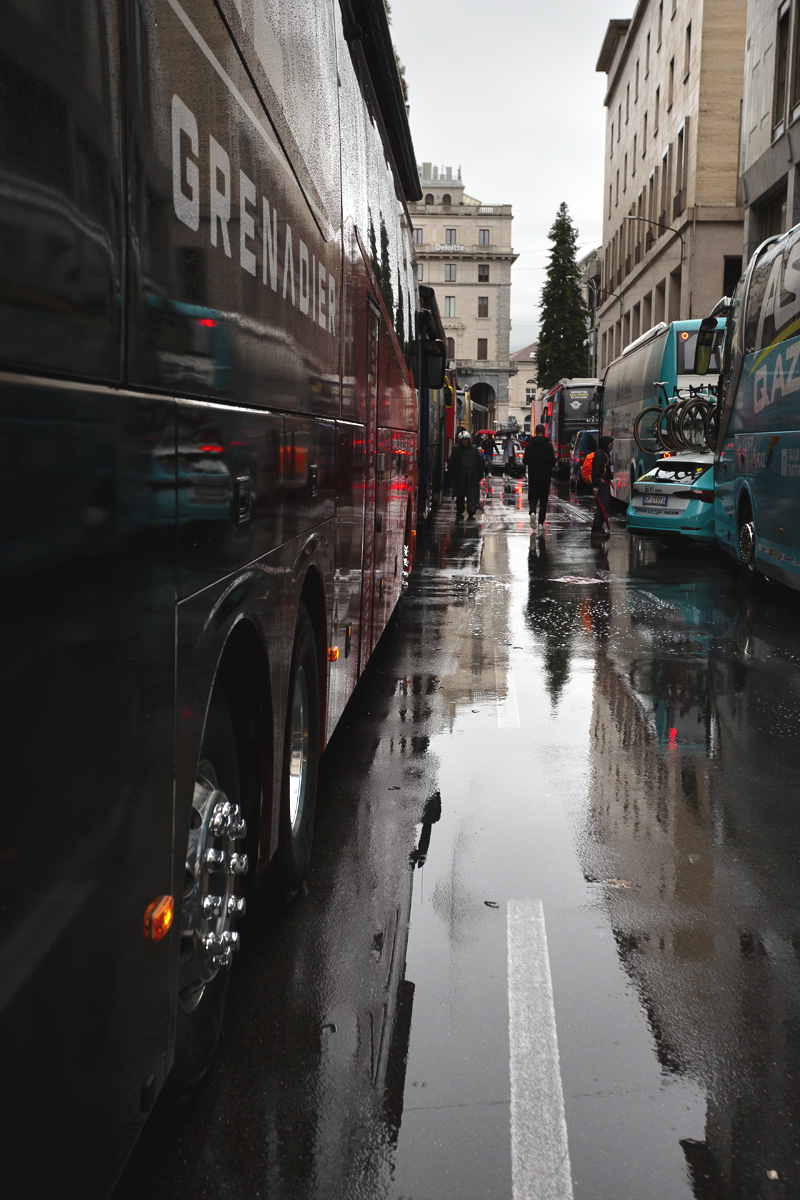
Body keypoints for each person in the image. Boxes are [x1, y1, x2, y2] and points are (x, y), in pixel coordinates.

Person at [522, 423, 556, 531]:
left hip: (533, 476)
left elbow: (525, 460)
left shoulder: (530, 445)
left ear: (535, 432)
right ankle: (541, 522)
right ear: (544, 432)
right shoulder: (548, 445)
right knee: (543, 500)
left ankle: (532, 512)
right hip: (545, 477)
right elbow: (552, 462)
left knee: (533, 498)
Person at [448, 430, 483, 519]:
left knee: (471, 495)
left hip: (472, 477)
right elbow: (452, 463)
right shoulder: (456, 449)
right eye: (463, 440)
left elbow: (479, 463)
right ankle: (460, 509)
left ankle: (471, 509)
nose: (465, 441)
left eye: (466, 440)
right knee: (460, 494)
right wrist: (451, 477)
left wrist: (479, 475)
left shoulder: (474, 450)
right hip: (460, 477)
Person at [591, 434, 614, 537]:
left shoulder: (605, 454)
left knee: (605, 506)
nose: (612, 444)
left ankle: (599, 528)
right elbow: (595, 471)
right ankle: (596, 529)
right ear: (606, 444)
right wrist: (595, 485)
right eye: (610, 443)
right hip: (601, 485)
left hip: (605, 484)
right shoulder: (600, 455)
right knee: (602, 507)